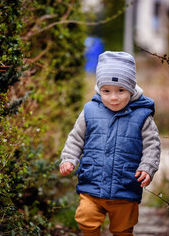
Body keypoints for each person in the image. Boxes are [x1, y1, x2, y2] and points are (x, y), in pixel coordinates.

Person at [59, 51, 161, 236]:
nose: (113, 97)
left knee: (123, 229)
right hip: (92, 183)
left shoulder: (142, 116)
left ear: (131, 88)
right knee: (86, 219)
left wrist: (147, 167)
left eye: (120, 90)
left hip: (126, 186)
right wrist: (69, 158)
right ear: (99, 89)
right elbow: (76, 138)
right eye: (106, 91)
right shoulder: (90, 111)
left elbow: (152, 145)